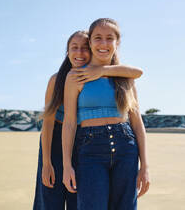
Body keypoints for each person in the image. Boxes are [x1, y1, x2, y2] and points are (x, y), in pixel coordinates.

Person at [33, 30, 144, 210]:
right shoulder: (58, 80)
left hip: (84, 139)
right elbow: (48, 124)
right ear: (67, 52)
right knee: (51, 194)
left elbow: (137, 72)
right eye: (74, 48)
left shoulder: (103, 75)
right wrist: (46, 163)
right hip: (56, 141)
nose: (79, 53)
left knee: (80, 195)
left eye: (85, 48)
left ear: (92, 49)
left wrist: (101, 70)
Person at [62, 18, 150, 210]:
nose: (103, 43)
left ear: (117, 43)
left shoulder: (126, 77)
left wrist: (145, 166)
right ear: (90, 42)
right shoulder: (76, 76)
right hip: (89, 150)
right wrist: (67, 165)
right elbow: (69, 123)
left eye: (109, 38)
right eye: (98, 38)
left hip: (126, 148)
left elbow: (137, 123)